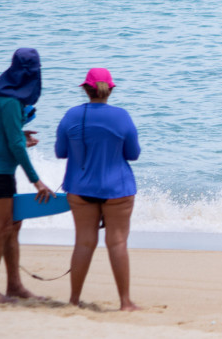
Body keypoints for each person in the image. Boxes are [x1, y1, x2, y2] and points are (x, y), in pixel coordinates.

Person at [55, 68, 141, 311]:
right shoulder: (122, 116)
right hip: (118, 189)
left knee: (83, 242)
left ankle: (73, 300)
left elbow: (60, 152)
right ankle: (125, 302)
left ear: (85, 89)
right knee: (117, 243)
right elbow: (133, 154)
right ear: (110, 89)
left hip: (80, 188)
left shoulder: (71, 115)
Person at [0, 48, 53, 303]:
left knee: (13, 226)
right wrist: (37, 181)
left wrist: (19, 133)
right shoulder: (10, 100)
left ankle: (14, 286)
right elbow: (15, 145)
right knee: (0, 229)